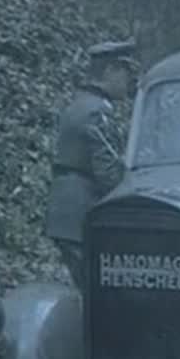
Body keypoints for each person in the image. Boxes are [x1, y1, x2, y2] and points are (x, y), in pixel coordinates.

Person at [44, 40, 140, 291]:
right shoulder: (97, 112)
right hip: (80, 211)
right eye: (125, 72)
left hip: (68, 211)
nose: (129, 80)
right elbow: (108, 173)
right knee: (98, 292)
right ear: (110, 71)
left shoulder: (81, 103)